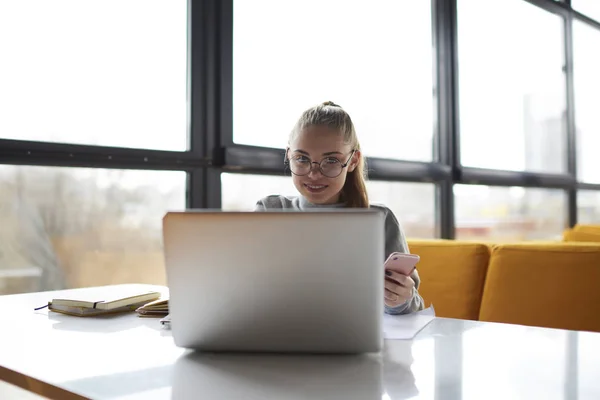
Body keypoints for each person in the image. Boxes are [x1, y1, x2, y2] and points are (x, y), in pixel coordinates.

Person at [255, 101, 424, 315]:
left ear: (352, 161)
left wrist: (399, 300)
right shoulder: (271, 211)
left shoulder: (379, 220)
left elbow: (412, 308)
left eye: (331, 160)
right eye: (302, 159)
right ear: (289, 156)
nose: (314, 174)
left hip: (357, 339)